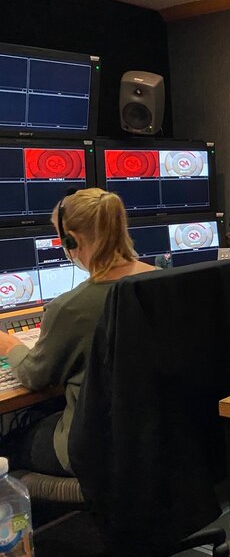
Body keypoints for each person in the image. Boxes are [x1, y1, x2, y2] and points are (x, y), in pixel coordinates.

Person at [0, 189, 154, 476]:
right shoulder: (162, 280)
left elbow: (35, 376)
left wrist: (9, 346)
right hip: (158, 433)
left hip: (97, 447)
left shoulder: (71, 308)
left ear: (73, 239)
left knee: (11, 441)